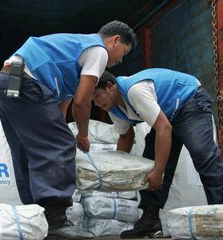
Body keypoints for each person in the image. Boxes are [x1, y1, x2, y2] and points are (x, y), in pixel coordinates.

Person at [0, 20, 137, 238]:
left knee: (26, 147)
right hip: (26, 80)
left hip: (8, 78)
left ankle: (35, 215)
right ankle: (55, 219)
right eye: (123, 53)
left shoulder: (74, 52)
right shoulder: (98, 51)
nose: (120, 60)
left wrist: (58, 130)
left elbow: (63, 103)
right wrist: (83, 134)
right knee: (61, 144)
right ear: (115, 40)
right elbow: (82, 101)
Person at [92, 69, 223, 238]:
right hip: (167, 115)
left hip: (190, 101)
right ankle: (150, 220)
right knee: (149, 163)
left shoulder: (135, 90)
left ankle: (220, 211)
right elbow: (125, 137)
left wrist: (159, 171)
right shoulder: (114, 108)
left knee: (202, 153)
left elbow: (164, 128)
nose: (96, 103)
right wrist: (114, 173)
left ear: (109, 86)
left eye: (96, 96)